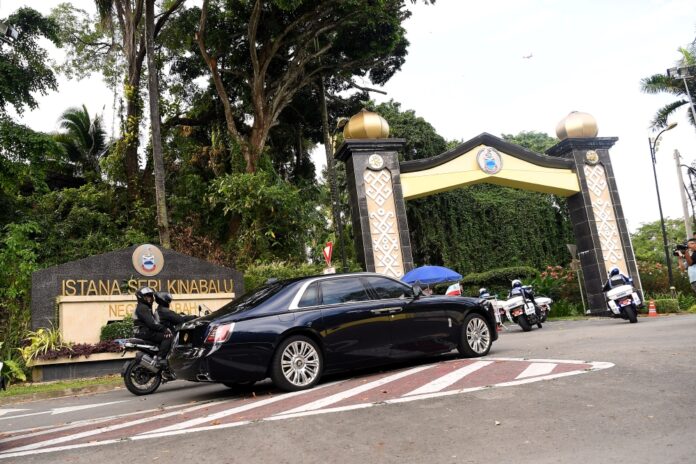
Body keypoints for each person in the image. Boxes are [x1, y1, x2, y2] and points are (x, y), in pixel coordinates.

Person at [133, 287, 172, 366]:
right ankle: (160, 359)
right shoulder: (143, 308)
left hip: (143, 331)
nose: (149, 298)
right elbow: (151, 324)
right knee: (169, 337)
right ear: (140, 297)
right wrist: (164, 329)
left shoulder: (143, 307)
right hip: (144, 332)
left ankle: (156, 356)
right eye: (147, 296)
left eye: (150, 296)